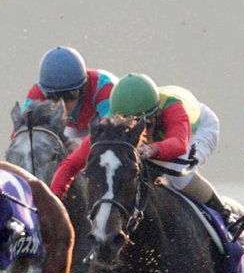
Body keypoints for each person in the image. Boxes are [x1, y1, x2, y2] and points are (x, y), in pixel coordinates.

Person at [51, 74, 229, 221]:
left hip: (199, 128)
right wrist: (54, 199)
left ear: (155, 114)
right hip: (163, 136)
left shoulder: (173, 107)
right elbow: (71, 164)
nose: (138, 132)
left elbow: (179, 144)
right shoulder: (111, 120)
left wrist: (153, 150)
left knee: (177, 175)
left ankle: (224, 216)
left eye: (143, 125)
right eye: (131, 127)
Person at [23, 46, 118, 147]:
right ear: (45, 92)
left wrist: (78, 148)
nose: (62, 106)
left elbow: (106, 134)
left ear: (83, 89)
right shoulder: (38, 92)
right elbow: (20, 132)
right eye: (53, 97)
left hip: (110, 127)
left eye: (69, 95)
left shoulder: (105, 89)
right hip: (73, 129)